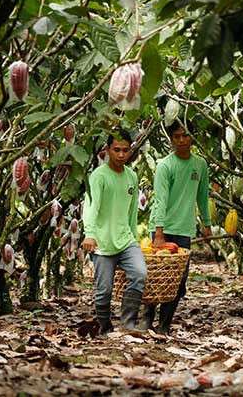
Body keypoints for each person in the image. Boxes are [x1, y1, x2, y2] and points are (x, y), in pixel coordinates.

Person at [142, 119, 212, 334]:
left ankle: (164, 326)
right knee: (157, 278)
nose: (181, 140)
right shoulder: (165, 165)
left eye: (185, 135)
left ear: (192, 137)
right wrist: (159, 233)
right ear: (171, 139)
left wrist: (207, 225)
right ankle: (147, 322)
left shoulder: (200, 165)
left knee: (178, 283)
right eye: (176, 137)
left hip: (184, 230)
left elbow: (202, 196)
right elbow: (160, 200)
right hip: (163, 229)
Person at [81, 129, 147, 333]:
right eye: (116, 150)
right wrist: (90, 233)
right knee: (104, 290)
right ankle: (104, 326)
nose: (121, 155)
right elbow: (91, 206)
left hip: (126, 240)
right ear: (107, 150)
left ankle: (128, 323)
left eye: (125, 150)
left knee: (139, 274)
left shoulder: (132, 177)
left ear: (131, 151)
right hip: (102, 242)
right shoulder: (99, 176)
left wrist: (134, 237)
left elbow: (131, 211)